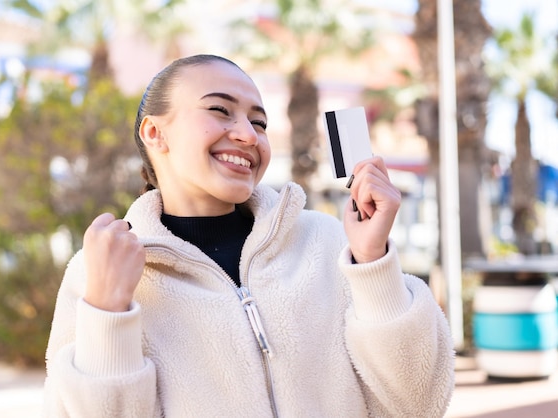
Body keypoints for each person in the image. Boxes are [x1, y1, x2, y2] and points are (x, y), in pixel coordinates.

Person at [43, 54, 455, 417]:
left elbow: (418, 405)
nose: (248, 135)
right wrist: (109, 313)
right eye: (220, 110)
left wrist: (373, 265)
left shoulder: (328, 243)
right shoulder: (97, 273)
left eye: (258, 122)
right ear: (155, 133)